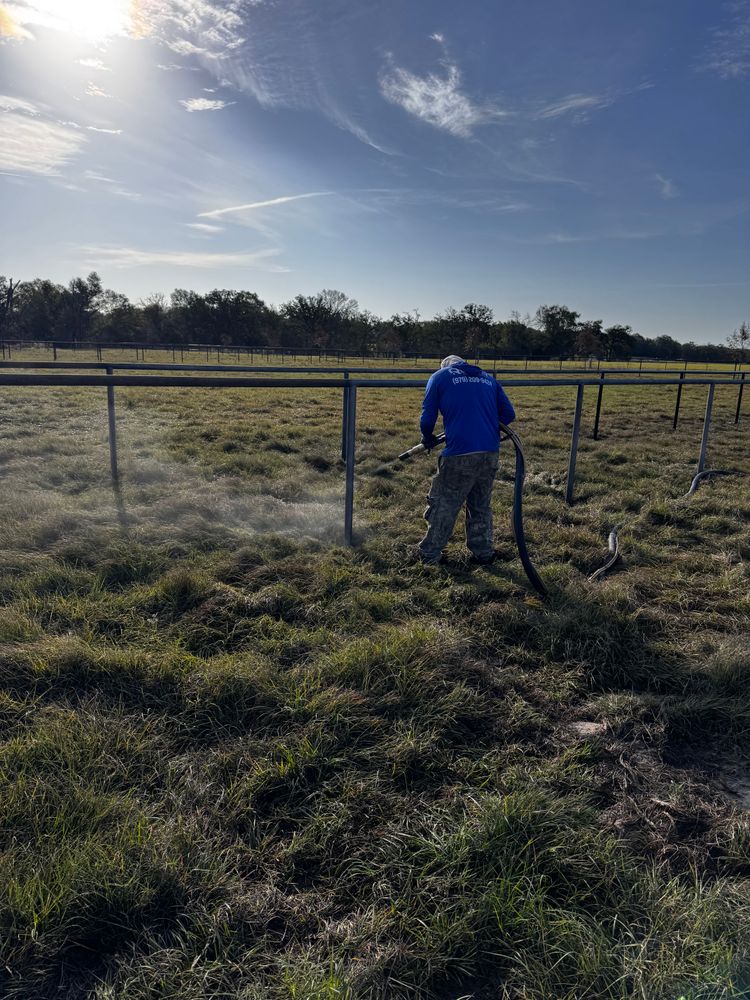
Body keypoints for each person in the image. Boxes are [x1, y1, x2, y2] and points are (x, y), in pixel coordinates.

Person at [417, 354, 516, 565]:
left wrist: (427, 438)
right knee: (480, 505)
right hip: (490, 452)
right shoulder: (487, 377)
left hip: (459, 454)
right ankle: (484, 553)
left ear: (445, 366)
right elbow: (508, 414)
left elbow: (427, 419)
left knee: (445, 504)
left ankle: (430, 555)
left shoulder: (440, 377)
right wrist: (485, 425)